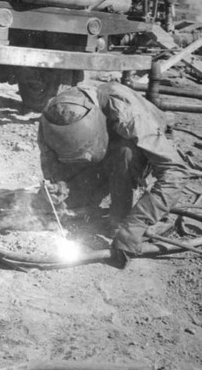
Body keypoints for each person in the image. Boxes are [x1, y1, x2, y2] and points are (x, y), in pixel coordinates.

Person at [37, 82, 189, 259]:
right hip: (100, 150)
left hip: (138, 147)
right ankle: (88, 199)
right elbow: (50, 162)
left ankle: (121, 218)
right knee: (71, 207)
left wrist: (136, 224)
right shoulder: (51, 117)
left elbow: (175, 172)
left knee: (125, 154)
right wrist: (59, 185)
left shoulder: (128, 114)